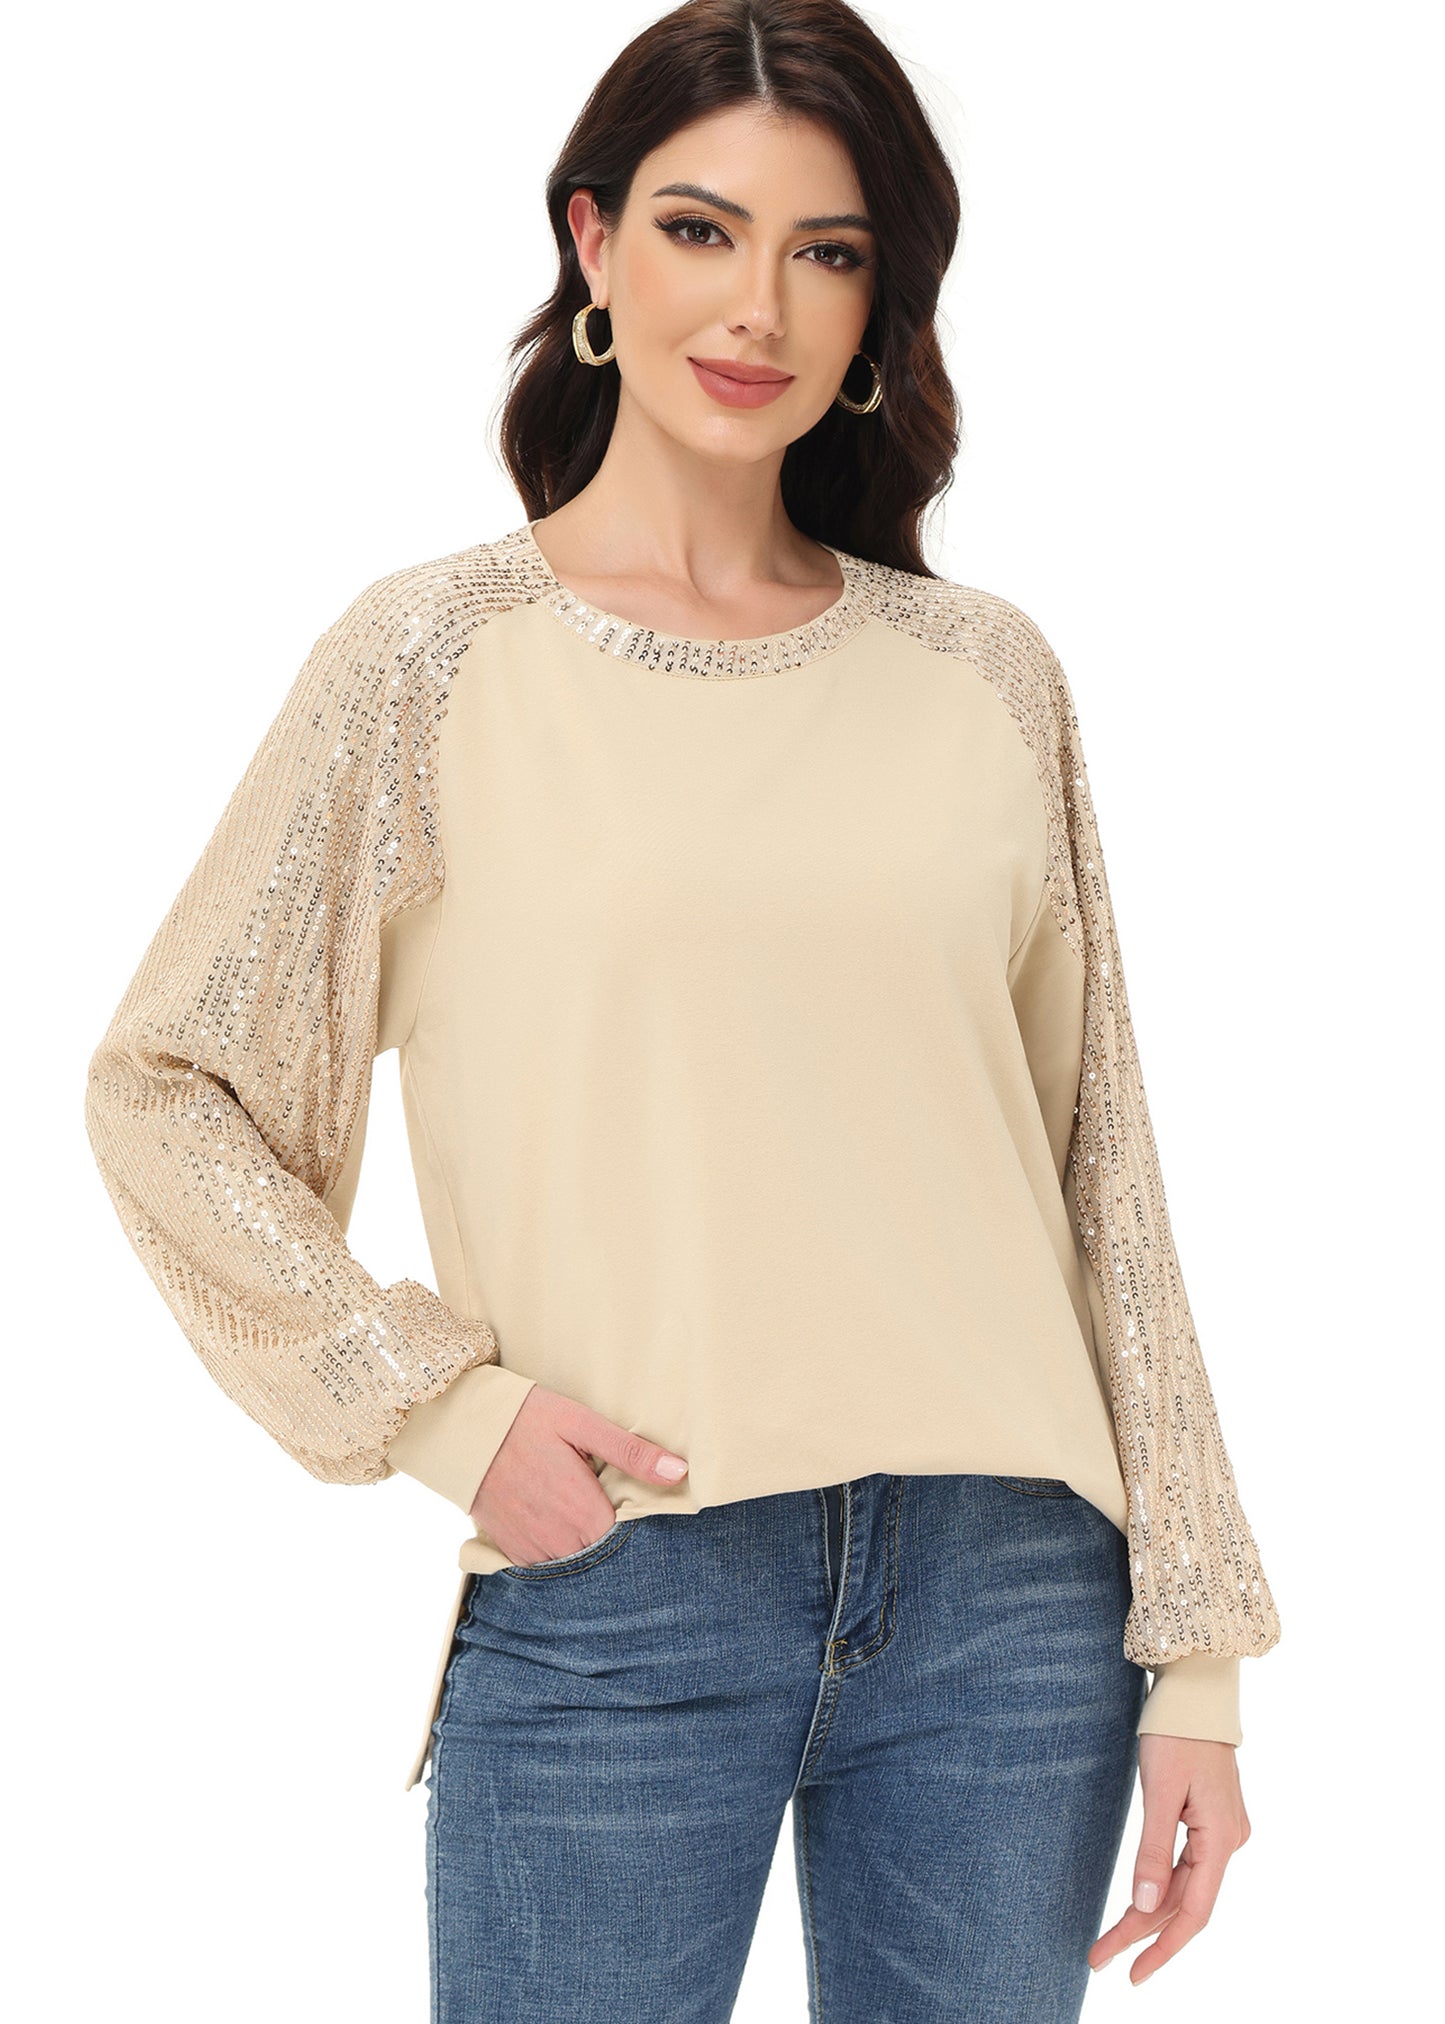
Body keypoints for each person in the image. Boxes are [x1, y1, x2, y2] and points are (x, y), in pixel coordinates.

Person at [83, 2, 1282, 2017]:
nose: (759, 307)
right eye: (702, 230)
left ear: (882, 299)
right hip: (624, 1580)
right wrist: (441, 1411)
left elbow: (1105, 1176)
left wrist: (1202, 1655)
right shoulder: (429, 661)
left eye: (829, 252)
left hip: (1013, 1605)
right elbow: (168, 1089)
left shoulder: (986, 674)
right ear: (593, 245)